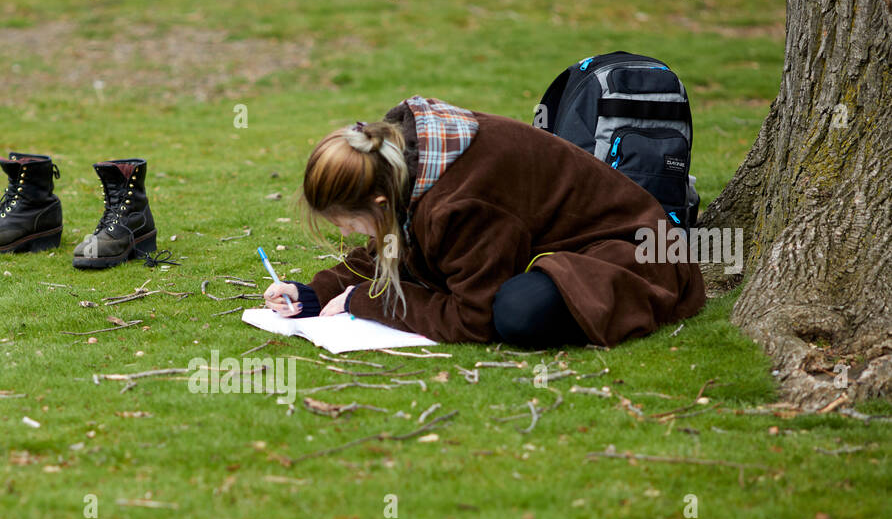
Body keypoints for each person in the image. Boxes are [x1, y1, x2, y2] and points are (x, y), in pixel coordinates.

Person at [263, 96, 705, 347]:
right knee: (503, 297)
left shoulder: (461, 203)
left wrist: (367, 301)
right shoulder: (404, 164)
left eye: (347, 223)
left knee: (517, 312)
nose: (346, 234)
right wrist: (315, 295)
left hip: (633, 254)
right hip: (557, 248)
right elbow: (392, 245)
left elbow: (473, 320)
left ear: (380, 200)